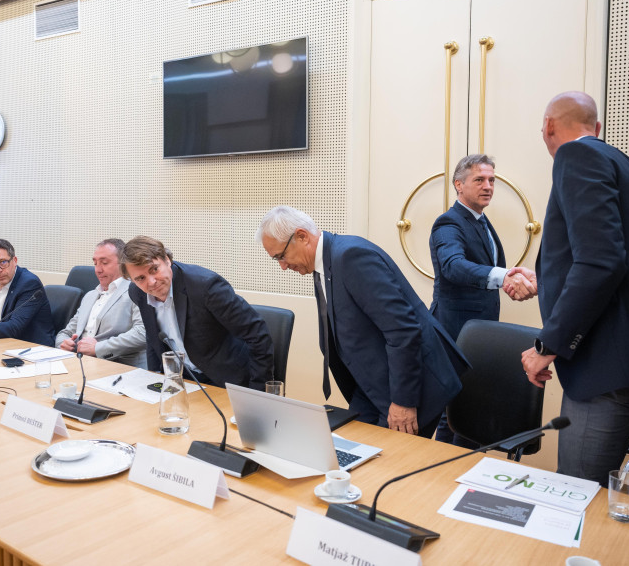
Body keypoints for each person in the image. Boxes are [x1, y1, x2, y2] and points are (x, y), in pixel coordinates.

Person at [520, 91, 629, 486]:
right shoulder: (628, 167)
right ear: (596, 127)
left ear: (547, 126)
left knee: (577, 491)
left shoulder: (575, 157)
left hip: (607, 360)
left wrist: (549, 344)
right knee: (586, 489)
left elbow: (600, 262)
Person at [257, 206, 469, 436]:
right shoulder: (320, 264)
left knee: (392, 466)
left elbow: (402, 329)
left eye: (281, 256)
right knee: (346, 449)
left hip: (412, 389)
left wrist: (403, 402)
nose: (283, 266)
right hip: (372, 386)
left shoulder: (350, 257)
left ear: (302, 236)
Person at [429, 154, 537, 444]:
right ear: (459, 185)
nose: (488, 186)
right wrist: (504, 278)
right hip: (455, 330)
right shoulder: (448, 223)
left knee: (468, 406)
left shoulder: (481, 221)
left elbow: (481, 274)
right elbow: (453, 266)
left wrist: (511, 283)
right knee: (451, 410)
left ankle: (458, 471)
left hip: (478, 330)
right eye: (479, 179)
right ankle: (439, 473)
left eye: (491, 180)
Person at [121, 235, 273, 390]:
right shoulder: (137, 293)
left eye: (154, 269)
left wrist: (258, 392)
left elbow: (258, 334)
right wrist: (154, 377)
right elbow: (153, 336)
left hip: (229, 381)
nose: (151, 282)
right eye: (140, 278)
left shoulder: (206, 286)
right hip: (185, 379)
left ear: (167, 260)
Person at [56, 239, 146, 368]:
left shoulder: (136, 291)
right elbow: (65, 333)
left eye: (104, 263)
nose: (98, 269)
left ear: (123, 264)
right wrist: (63, 344)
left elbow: (142, 333)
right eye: (95, 263)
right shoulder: (90, 295)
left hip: (119, 367)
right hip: (79, 363)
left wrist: (98, 348)